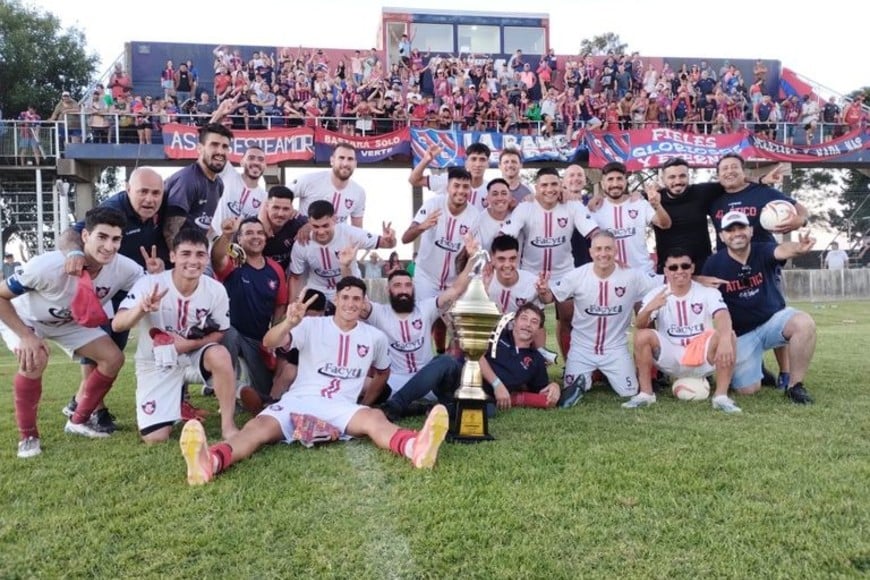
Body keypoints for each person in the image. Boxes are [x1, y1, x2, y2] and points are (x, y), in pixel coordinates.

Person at [179, 277, 451, 485]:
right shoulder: (310, 326)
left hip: (341, 406)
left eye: (357, 299)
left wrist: (365, 404)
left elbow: (383, 373)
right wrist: (288, 322)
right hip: (298, 401)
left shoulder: (374, 337)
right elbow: (268, 342)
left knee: (375, 420)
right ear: (337, 298)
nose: (351, 304)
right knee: (256, 427)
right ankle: (210, 461)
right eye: (346, 298)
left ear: (363, 302)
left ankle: (416, 448)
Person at [0, 207, 143, 458]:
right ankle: (28, 436)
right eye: (102, 237)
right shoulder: (47, 266)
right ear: (85, 236)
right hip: (28, 318)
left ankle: (78, 421)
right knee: (36, 358)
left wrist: (156, 272)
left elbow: (151, 287)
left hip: (70, 322)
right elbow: (1, 296)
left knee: (113, 359)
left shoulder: (126, 269)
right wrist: (26, 335)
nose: (109, 246)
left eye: (116, 239)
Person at [58, 167, 171, 430]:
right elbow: (70, 234)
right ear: (127, 189)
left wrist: (156, 270)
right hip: (102, 289)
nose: (150, 199)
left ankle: (79, 401)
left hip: (129, 288)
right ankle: (96, 410)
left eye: (156, 193)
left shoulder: (159, 212)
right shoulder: (114, 210)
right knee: (99, 350)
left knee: (115, 349)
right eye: (143, 191)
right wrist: (74, 253)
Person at [113, 228, 242, 443]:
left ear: (207, 258)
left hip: (192, 358)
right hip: (155, 362)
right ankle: (173, 403)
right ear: (172, 256)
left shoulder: (216, 290)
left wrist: (190, 344)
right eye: (185, 254)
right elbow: (117, 324)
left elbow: (220, 331)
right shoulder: (150, 284)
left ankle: (228, 427)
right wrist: (141, 309)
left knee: (219, 354)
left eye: (200, 255)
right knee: (155, 438)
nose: (193, 260)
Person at [701, 211, 816, 404]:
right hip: (742, 334)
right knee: (747, 390)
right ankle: (757, 367)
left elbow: (782, 250)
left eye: (741, 228)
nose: (736, 233)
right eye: (730, 230)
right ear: (721, 236)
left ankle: (795, 386)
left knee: (804, 323)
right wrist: (698, 278)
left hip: (772, 322)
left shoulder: (762, 250)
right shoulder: (714, 263)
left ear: (751, 231)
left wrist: (798, 247)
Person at [361, 235, 476, 420]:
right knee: (357, 383)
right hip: (394, 382)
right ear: (388, 290)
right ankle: (419, 408)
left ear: (413, 289)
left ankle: (400, 406)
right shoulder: (378, 312)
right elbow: (355, 297)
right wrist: (345, 266)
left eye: (408, 285)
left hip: (428, 379)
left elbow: (455, 289)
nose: (403, 290)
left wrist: (471, 260)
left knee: (447, 363)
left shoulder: (426, 308)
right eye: (397, 286)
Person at [544, 231, 661, 406]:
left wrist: (697, 280)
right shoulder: (577, 275)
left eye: (608, 248)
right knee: (572, 389)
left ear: (615, 251)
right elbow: (548, 297)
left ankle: (609, 373)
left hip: (615, 349)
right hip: (582, 349)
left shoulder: (632, 276)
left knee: (628, 391)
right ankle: (590, 375)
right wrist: (542, 291)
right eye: (598, 249)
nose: (603, 253)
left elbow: (665, 282)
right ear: (591, 252)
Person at [623, 248, 741, 413]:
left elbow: (722, 316)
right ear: (665, 271)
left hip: (703, 357)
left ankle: (721, 397)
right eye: (673, 267)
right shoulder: (656, 294)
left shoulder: (707, 292)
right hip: (671, 358)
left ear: (692, 268)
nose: (679, 271)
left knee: (729, 335)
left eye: (684, 266)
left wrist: (725, 340)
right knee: (642, 335)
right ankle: (645, 395)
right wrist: (650, 308)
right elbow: (640, 325)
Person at [500, 167, 599, 360]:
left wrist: (605, 249)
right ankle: (528, 364)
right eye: (544, 185)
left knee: (569, 319)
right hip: (531, 274)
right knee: (529, 322)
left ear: (561, 186)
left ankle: (572, 365)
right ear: (536, 188)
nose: (549, 189)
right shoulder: (525, 207)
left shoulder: (573, 206)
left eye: (554, 184)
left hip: (564, 273)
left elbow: (593, 233)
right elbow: (505, 237)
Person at [401, 167, 480, 354]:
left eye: (465, 187)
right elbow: (405, 238)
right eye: (457, 186)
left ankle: (448, 363)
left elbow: (466, 255)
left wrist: (469, 255)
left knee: (458, 328)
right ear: (448, 187)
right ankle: (419, 365)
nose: (461, 191)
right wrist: (422, 226)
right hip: (426, 277)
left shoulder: (474, 215)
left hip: (452, 282)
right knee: (422, 323)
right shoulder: (432, 204)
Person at [212, 216, 288, 406]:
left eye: (259, 232)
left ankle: (240, 390)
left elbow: (280, 305)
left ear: (265, 237)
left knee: (263, 392)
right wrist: (227, 234)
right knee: (228, 333)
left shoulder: (275, 269)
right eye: (248, 233)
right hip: (231, 332)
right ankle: (226, 397)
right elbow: (216, 258)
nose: (256, 237)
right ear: (239, 239)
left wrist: (274, 336)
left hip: (258, 338)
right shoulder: (233, 262)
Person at [289, 200, 396, 302]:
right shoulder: (301, 243)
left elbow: (387, 244)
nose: (321, 231)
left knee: (362, 315)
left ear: (334, 219)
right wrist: (291, 305)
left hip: (349, 287)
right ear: (309, 222)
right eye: (316, 226)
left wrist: (390, 240)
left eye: (325, 225)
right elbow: (295, 277)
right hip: (317, 291)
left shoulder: (350, 233)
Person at [591, 161, 671, 273]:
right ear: (603, 183)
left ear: (625, 181)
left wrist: (657, 205)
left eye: (619, 179)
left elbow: (665, 224)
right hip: (611, 276)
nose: (615, 184)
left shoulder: (639, 203)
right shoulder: (595, 209)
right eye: (610, 179)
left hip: (642, 273)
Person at [481, 303, 563, 412]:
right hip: (465, 380)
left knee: (485, 412)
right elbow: (475, 356)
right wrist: (497, 384)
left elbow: (541, 391)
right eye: (524, 318)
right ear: (515, 321)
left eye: (534, 322)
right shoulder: (497, 335)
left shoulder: (536, 360)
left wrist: (555, 386)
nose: (528, 324)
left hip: (486, 400)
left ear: (538, 329)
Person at [163, 123, 234, 247]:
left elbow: (203, 221)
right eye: (214, 145)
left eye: (225, 147)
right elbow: (170, 231)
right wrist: (179, 261)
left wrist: (221, 242)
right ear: (200, 149)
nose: (220, 151)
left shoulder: (219, 184)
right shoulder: (188, 180)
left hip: (194, 255)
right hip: (176, 259)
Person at [291, 143, 366, 227]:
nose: (345, 163)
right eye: (341, 158)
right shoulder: (308, 180)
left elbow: (357, 229)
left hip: (337, 239)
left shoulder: (358, 192)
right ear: (332, 160)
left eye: (350, 159)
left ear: (355, 164)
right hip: (306, 238)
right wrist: (298, 219)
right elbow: (280, 198)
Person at [409, 142, 491, 211]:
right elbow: (414, 180)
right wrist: (426, 160)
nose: (477, 164)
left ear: (488, 163)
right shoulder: (449, 180)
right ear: (466, 162)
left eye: (482, 160)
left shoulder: (492, 190)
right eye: (473, 159)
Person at [211, 146, 268, 232]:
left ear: (265, 166)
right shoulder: (228, 173)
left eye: (261, 159)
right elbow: (213, 152)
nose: (256, 162)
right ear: (241, 162)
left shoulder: (265, 197)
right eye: (251, 158)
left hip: (241, 244)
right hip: (214, 242)